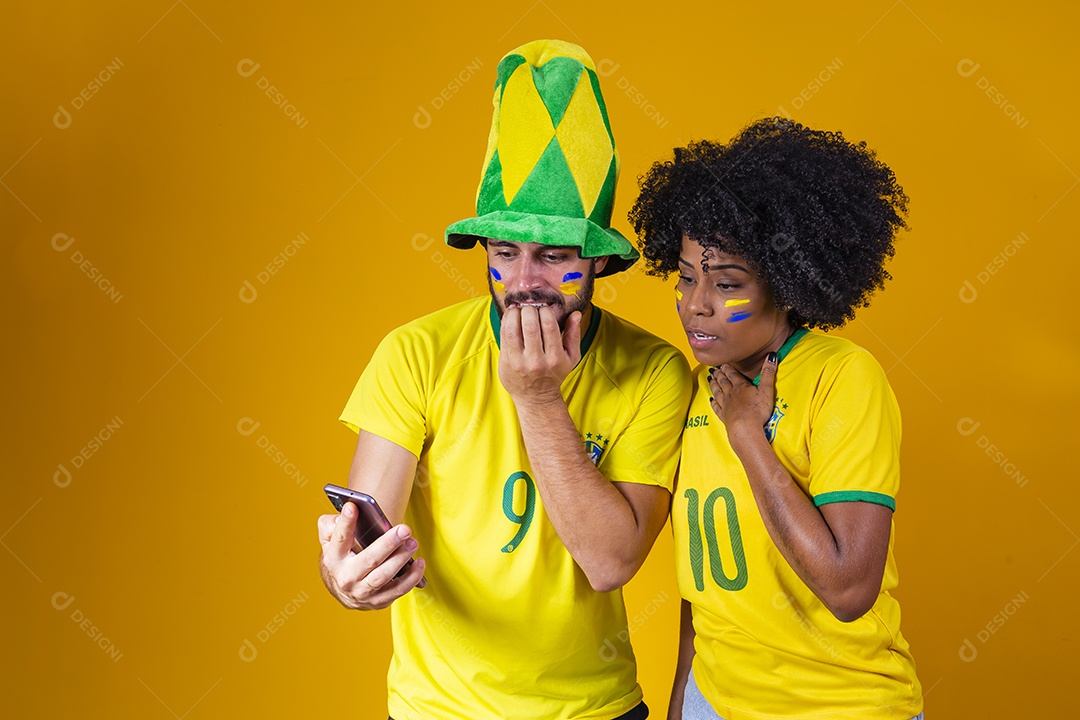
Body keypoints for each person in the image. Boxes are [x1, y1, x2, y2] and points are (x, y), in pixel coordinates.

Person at [317, 39, 691, 720]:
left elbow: (610, 562)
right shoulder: (416, 353)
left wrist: (537, 396)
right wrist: (347, 576)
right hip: (438, 710)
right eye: (504, 252)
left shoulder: (655, 371)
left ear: (599, 264)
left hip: (595, 710)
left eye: (553, 256)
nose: (523, 282)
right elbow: (370, 522)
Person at [629, 118, 923, 720]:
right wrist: (681, 703)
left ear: (787, 285)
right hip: (715, 703)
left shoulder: (842, 378)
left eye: (728, 283)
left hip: (839, 705)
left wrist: (747, 437)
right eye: (685, 278)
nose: (695, 305)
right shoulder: (687, 389)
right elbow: (704, 593)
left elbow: (847, 589)